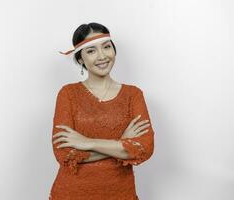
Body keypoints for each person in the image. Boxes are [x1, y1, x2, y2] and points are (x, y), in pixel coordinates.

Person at [49, 22, 155, 200]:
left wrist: (87, 143)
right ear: (81, 59)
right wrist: (121, 143)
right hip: (72, 193)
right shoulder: (68, 94)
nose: (102, 56)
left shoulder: (133, 95)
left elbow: (144, 149)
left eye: (106, 47)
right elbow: (65, 155)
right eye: (91, 51)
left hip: (121, 194)